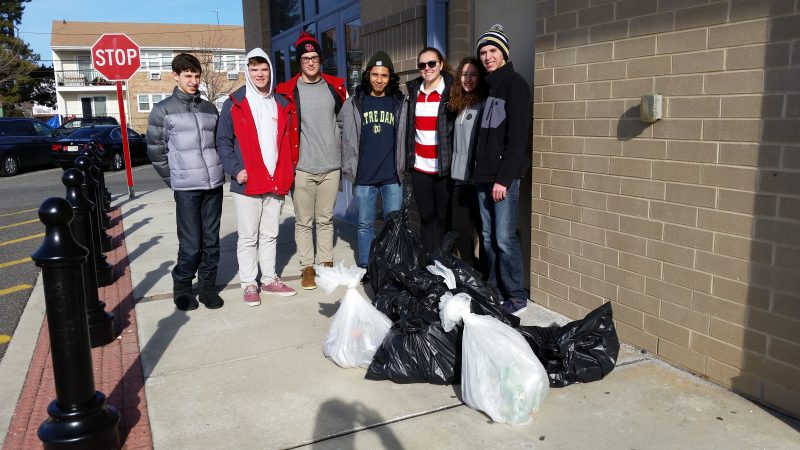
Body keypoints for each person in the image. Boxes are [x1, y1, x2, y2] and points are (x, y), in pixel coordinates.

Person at [216, 48, 297, 307]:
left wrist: (288, 171)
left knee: (270, 234)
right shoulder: (235, 102)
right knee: (249, 236)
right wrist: (235, 169)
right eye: (254, 69)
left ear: (270, 71)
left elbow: (287, 141)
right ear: (247, 72)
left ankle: (269, 279)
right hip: (247, 182)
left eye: (264, 69)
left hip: (275, 180)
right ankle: (249, 283)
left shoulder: (281, 103)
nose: (260, 74)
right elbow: (222, 141)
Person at [147, 53, 225, 311]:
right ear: (176, 76)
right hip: (186, 187)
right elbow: (155, 150)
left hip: (213, 184)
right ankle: (182, 286)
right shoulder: (162, 110)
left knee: (211, 240)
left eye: (196, 76)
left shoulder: (208, 108)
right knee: (191, 243)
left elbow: (218, 143)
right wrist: (174, 180)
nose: (193, 81)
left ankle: (207, 287)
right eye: (188, 76)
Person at [276, 32, 347, 290]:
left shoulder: (335, 88)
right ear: (299, 61)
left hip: (330, 167)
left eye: (314, 57)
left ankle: (325, 264)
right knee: (304, 221)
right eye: (305, 58)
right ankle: (307, 267)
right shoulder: (286, 92)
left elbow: (344, 122)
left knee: (326, 219)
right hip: (302, 168)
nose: (310, 62)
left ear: (320, 59)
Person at [473, 24, 532, 316]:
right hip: (483, 177)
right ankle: (494, 287)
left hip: (502, 180)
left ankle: (517, 294)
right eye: (483, 52)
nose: (487, 56)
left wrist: (504, 179)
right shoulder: (488, 87)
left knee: (504, 238)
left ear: (504, 53)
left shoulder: (515, 84)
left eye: (493, 50)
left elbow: (518, 138)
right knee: (487, 236)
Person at [339, 51, 407, 283]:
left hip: (391, 176)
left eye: (384, 75)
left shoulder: (399, 102)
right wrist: (346, 159)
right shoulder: (354, 102)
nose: (379, 79)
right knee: (365, 224)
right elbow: (340, 129)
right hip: (364, 175)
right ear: (368, 75)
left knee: (393, 223)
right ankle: (366, 266)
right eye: (375, 74)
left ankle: (391, 264)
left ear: (390, 78)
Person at [406, 47, 454, 254]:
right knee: (426, 217)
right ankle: (429, 264)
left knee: (443, 218)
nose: (427, 68)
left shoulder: (452, 91)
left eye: (432, 63)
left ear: (441, 64)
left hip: (444, 167)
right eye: (422, 65)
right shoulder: (413, 92)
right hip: (420, 167)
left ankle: (444, 265)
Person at [447, 56, 489, 273]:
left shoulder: (484, 104)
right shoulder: (459, 105)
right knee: (460, 228)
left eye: (473, 74)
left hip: (476, 178)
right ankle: (469, 268)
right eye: (464, 74)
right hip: (458, 177)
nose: (468, 79)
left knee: (483, 230)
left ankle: (486, 273)